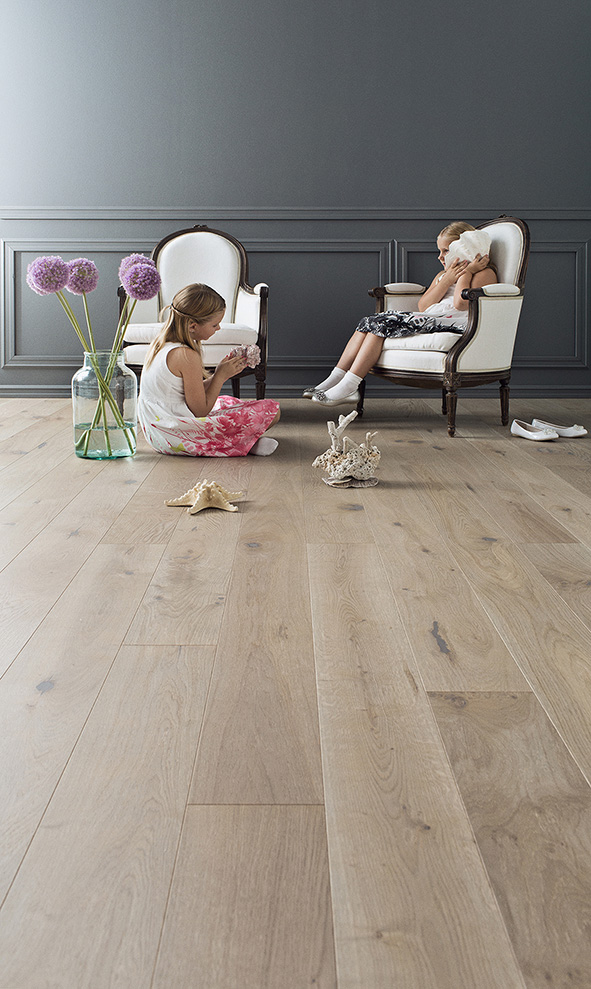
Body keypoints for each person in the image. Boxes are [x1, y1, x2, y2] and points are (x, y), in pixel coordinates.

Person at [304, 221, 498, 406]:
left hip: (452, 324)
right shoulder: (442, 275)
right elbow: (424, 305)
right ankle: (336, 378)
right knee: (369, 322)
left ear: (463, 249)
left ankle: (349, 386)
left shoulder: (484, 274)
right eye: (439, 251)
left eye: (446, 251)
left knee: (382, 324)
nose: (440, 257)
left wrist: (466, 272)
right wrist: (447, 279)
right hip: (430, 318)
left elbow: (461, 304)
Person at [138, 283, 280, 456]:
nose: (218, 328)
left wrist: (220, 373)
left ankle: (243, 443)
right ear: (192, 326)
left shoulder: (162, 344)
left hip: (157, 434)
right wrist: (220, 376)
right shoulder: (186, 355)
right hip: (176, 436)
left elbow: (188, 393)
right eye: (214, 325)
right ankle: (240, 444)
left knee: (227, 401)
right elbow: (200, 411)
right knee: (272, 411)